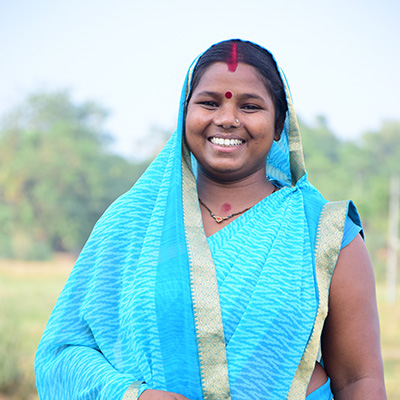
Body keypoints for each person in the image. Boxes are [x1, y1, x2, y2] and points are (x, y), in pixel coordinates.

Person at [35, 39, 387, 399]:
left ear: (279, 124)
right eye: (209, 102)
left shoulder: (324, 232)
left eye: (250, 106)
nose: (227, 119)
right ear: (184, 114)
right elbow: (62, 353)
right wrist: (133, 395)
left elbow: (360, 379)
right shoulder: (131, 224)